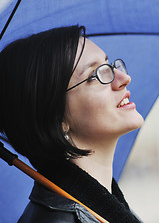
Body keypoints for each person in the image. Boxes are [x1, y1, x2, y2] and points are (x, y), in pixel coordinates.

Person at [0, 25, 144, 222]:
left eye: (109, 66)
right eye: (95, 75)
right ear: (56, 118)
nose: (124, 78)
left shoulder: (110, 209)